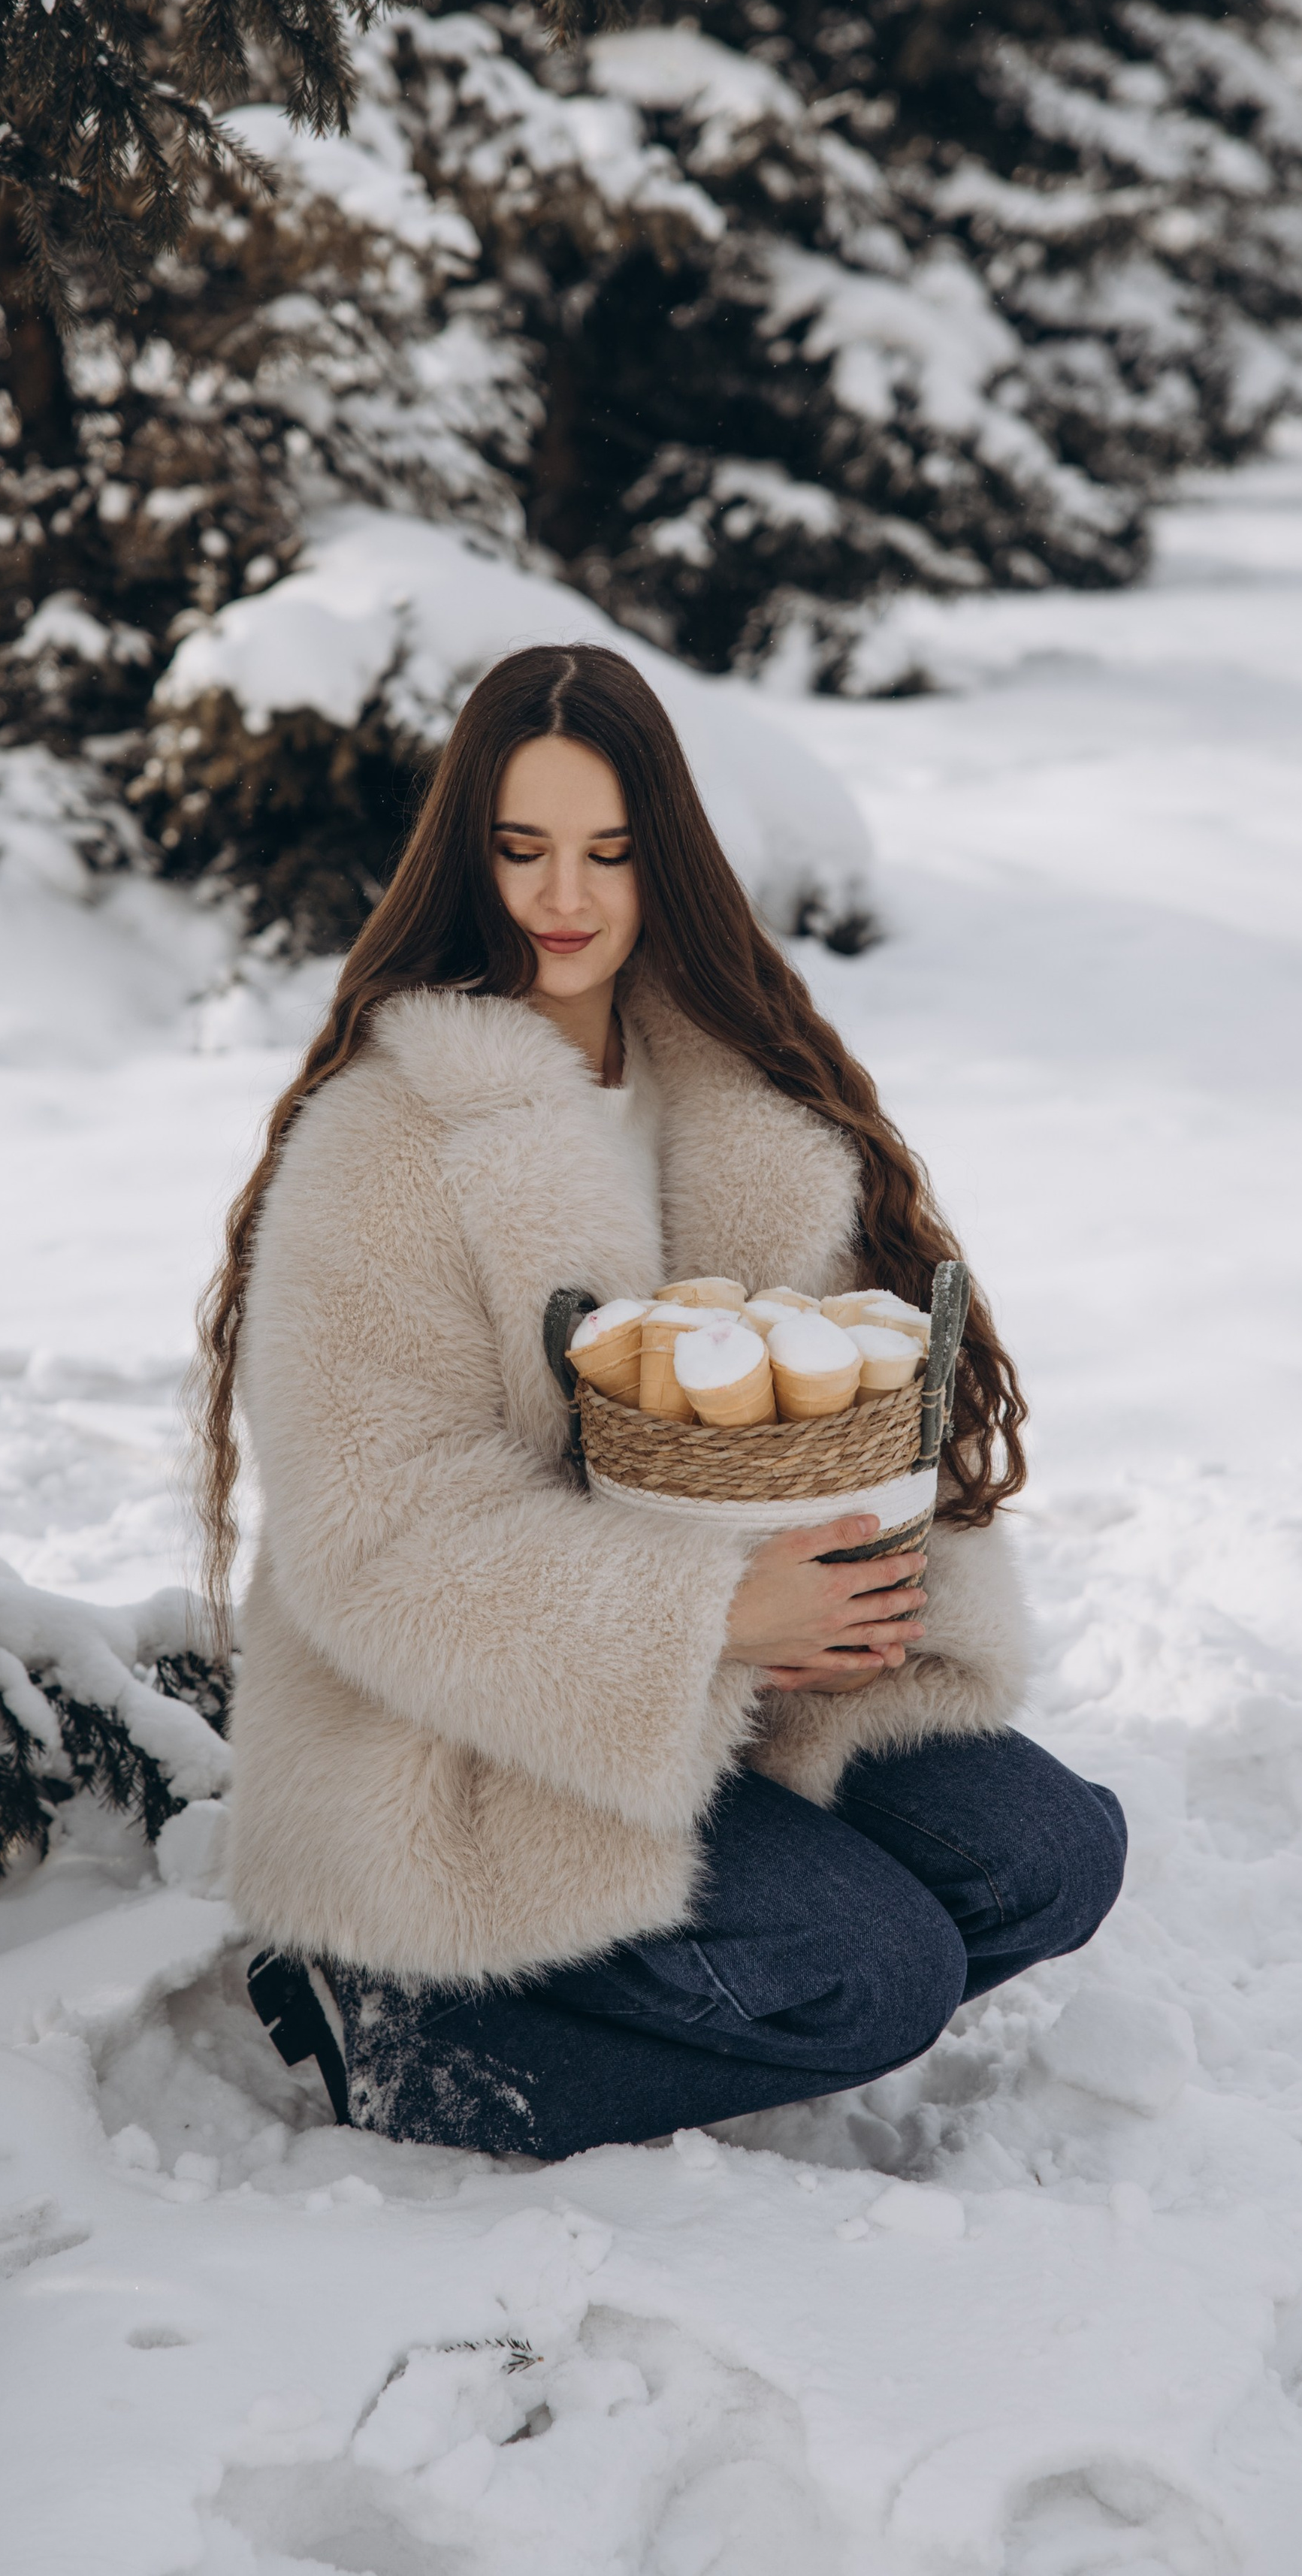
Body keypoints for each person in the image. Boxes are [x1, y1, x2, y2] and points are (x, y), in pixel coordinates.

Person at [194, 645, 1124, 2157]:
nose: (565, 895)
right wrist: (707, 1619)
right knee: (873, 1976)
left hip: (744, 1697)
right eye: (521, 849)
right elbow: (375, 1534)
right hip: (459, 1733)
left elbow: (817, 1397)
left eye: (610, 853)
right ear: (465, 860)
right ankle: (409, 2027)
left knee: (1049, 1859)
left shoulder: (735, 1093)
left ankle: (678, 1973)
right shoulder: (388, 1139)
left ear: (667, 862)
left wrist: (862, 1587)